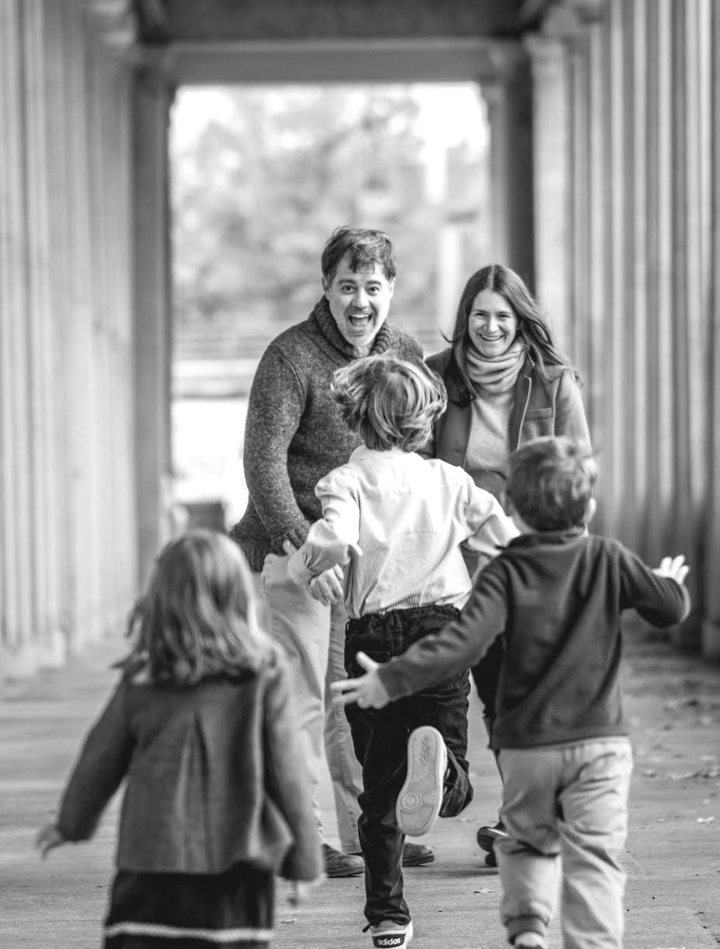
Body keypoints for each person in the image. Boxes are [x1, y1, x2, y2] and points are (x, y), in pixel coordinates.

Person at [333, 436, 690, 949]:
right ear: (588, 507)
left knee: (526, 845)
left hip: (526, 749)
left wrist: (390, 678)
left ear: (516, 511)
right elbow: (668, 608)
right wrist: (671, 583)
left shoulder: (504, 572)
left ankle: (527, 930)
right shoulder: (607, 558)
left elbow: (461, 644)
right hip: (600, 745)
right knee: (595, 852)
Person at [287, 354, 518, 948]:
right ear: (421, 423)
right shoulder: (448, 480)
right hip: (443, 634)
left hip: (372, 645)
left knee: (381, 789)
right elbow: (504, 540)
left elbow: (332, 536)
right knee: (452, 774)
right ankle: (443, 771)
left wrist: (315, 561)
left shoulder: (345, 481)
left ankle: (388, 915)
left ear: (355, 418)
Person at [229, 226, 432, 878]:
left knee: (360, 697)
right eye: (348, 286)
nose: (360, 301)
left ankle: (372, 831)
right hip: (291, 552)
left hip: (368, 560)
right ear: (326, 288)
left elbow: (418, 451)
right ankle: (299, 835)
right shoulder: (290, 358)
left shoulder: (404, 353)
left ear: (391, 289)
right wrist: (310, 552)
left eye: (373, 287)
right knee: (302, 698)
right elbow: (264, 466)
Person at [35, 530, 323, 949]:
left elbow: (101, 756)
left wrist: (71, 823)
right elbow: (287, 772)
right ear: (238, 595)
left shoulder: (145, 675)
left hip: (150, 864)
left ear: (161, 598)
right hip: (237, 873)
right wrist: (304, 860)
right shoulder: (264, 674)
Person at [426, 263, 592, 865]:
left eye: (503, 315)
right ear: (464, 318)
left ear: (521, 319)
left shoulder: (553, 381)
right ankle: (510, 810)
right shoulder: (437, 377)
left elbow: (578, 473)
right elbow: (419, 469)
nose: (490, 326)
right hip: (457, 562)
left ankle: (523, 819)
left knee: (519, 694)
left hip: (531, 561)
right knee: (481, 688)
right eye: (480, 314)